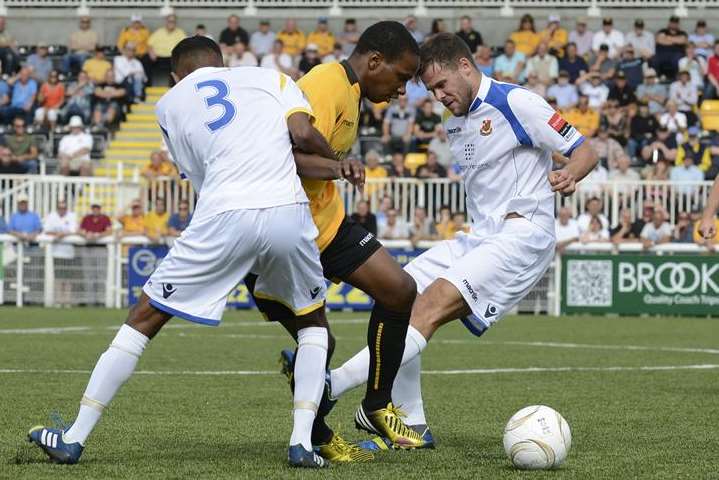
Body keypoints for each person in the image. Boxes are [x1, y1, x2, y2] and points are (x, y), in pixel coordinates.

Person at [27, 35, 365, 469]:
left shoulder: (168, 104)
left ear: (176, 75)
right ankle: (301, 443)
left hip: (224, 211)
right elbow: (301, 132)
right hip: (288, 208)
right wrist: (339, 162)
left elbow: (200, 174)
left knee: (146, 316)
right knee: (312, 322)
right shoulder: (270, 77)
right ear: (223, 63)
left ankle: (74, 437)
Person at [328, 33, 596, 450]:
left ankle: (331, 387)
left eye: (441, 85)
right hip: (480, 236)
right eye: (431, 90)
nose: (438, 97)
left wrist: (570, 173)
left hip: (522, 235)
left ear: (465, 67)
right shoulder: (454, 121)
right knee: (396, 293)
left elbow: (583, 150)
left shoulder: (516, 102)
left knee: (430, 304)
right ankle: (412, 426)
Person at [244, 21, 427, 458]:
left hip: (325, 224)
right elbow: (290, 149)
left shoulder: (353, 92)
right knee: (319, 341)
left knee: (399, 290)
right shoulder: (327, 81)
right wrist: (338, 166)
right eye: (400, 77)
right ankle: (318, 435)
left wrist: (335, 169)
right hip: (284, 234)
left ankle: (377, 406)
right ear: (374, 61)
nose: (402, 90)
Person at [43, 199, 78, 306]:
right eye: (60, 208)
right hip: (55, 252)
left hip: (69, 252)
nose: (62, 210)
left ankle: (67, 300)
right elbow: (47, 230)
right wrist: (59, 233)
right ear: (57, 208)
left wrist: (61, 234)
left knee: (68, 279)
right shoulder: (52, 216)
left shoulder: (72, 216)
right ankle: (58, 300)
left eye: (64, 208)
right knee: (58, 278)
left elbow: (74, 230)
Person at [147, 14, 186, 84]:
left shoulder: (180, 32)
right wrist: (151, 53)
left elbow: (185, 45)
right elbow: (149, 45)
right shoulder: (159, 32)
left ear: (175, 23)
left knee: (178, 65)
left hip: (173, 57)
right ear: (166, 22)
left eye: (173, 22)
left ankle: (173, 87)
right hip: (158, 58)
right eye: (169, 21)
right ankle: (148, 85)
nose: (171, 23)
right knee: (145, 60)